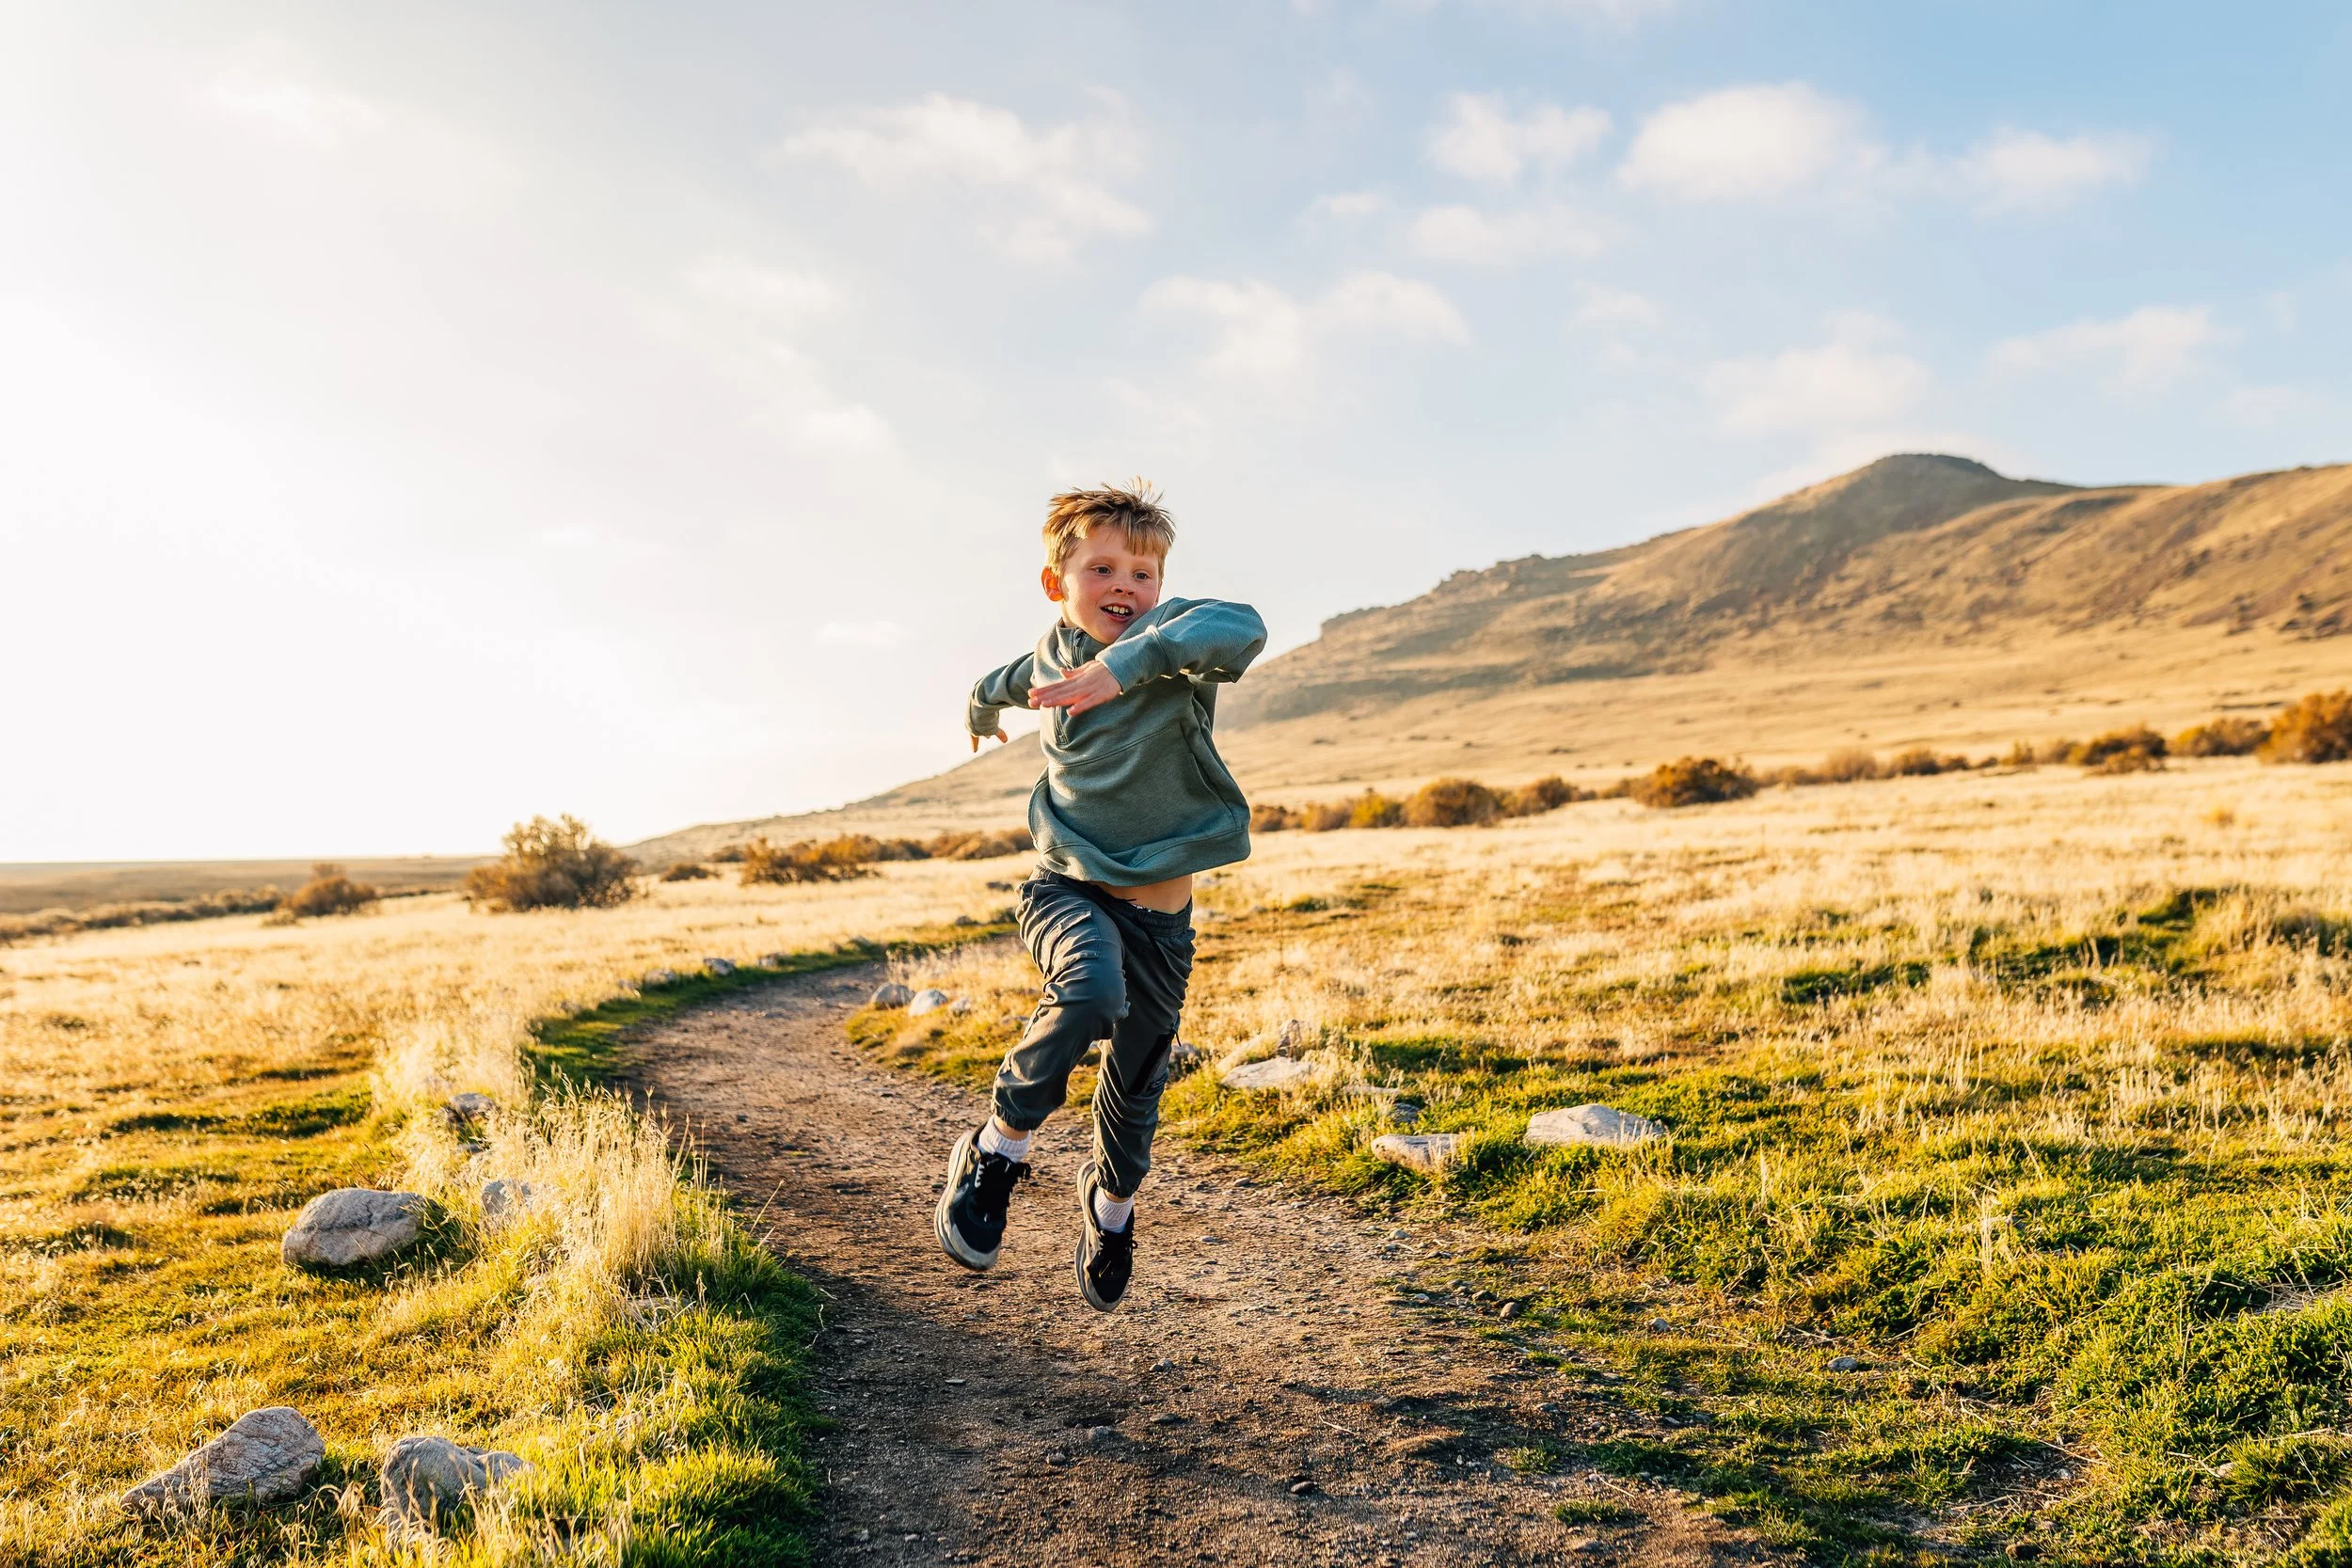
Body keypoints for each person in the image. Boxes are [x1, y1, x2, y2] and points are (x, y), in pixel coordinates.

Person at [934, 482, 1265, 1311]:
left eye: (1144, 572)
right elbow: (1001, 680)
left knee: (1139, 1074)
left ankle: (1110, 1209)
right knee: (1087, 992)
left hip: (1163, 918)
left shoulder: (1171, 638)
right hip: (1066, 887)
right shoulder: (1048, 654)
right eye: (1103, 568)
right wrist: (979, 707)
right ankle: (996, 1150)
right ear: (1059, 582)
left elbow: (1244, 627)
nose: (1127, 586)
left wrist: (1125, 665)